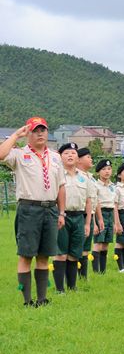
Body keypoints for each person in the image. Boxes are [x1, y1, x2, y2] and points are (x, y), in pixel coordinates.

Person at [0, 117, 66, 307]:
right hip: (29, 209)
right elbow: (1, 154)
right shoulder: (20, 154)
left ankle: (42, 298)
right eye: (35, 130)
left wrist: (61, 212)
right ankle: (27, 300)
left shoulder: (54, 157)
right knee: (26, 255)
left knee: (45, 255)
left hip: (50, 210)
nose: (40, 134)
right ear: (29, 133)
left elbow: (61, 186)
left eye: (43, 130)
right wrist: (16, 135)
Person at [53, 143, 91, 292]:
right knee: (61, 253)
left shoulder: (84, 177)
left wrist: (87, 223)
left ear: (78, 158)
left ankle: (72, 286)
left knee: (74, 254)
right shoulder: (56, 174)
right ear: (60, 157)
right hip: (62, 216)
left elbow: (88, 201)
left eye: (73, 153)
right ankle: (59, 289)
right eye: (66, 153)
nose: (70, 155)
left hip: (79, 217)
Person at [75, 148, 97, 280]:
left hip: (90, 214)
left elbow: (95, 200)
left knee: (85, 248)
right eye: (88, 157)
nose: (91, 159)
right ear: (79, 160)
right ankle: (72, 277)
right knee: (76, 246)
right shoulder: (76, 176)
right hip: (79, 214)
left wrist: (97, 219)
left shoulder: (90, 177)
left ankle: (83, 276)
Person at [93, 159, 115, 273]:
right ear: (98, 172)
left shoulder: (112, 186)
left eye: (109, 169)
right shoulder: (95, 185)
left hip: (110, 213)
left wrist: (116, 221)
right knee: (98, 242)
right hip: (99, 213)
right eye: (104, 169)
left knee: (106, 243)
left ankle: (103, 270)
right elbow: (95, 203)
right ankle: (96, 271)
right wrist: (97, 220)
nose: (107, 171)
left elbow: (114, 204)